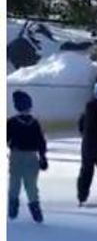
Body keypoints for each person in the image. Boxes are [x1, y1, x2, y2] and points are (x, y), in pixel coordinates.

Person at [8, 90, 47, 223]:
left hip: (16, 156)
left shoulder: (12, 122)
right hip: (31, 157)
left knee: (14, 184)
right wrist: (43, 157)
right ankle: (36, 212)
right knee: (31, 186)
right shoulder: (34, 123)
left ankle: (12, 210)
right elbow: (41, 142)